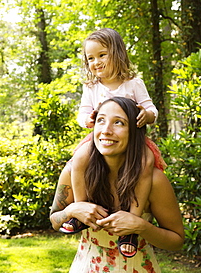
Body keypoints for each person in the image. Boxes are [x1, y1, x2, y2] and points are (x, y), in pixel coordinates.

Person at [59, 28, 166, 258]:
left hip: (133, 141)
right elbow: (83, 113)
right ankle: (81, 210)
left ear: (117, 53)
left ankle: (132, 226)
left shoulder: (133, 83)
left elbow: (151, 109)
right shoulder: (91, 87)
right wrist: (87, 120)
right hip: (99, 140)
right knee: (79, 158)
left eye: (102, 55)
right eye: (90, 58)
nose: (96, 62)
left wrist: (147, 115)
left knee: (146, 162)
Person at [50, 97, 184, 272]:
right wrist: (72, 210)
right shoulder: (74, 171)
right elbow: (54, 220)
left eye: (119, 123)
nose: (106, 130)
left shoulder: (154, 181)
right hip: (86, 266)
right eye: (101, 120)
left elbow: (177, 241)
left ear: (135, 131)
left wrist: (141, 227)